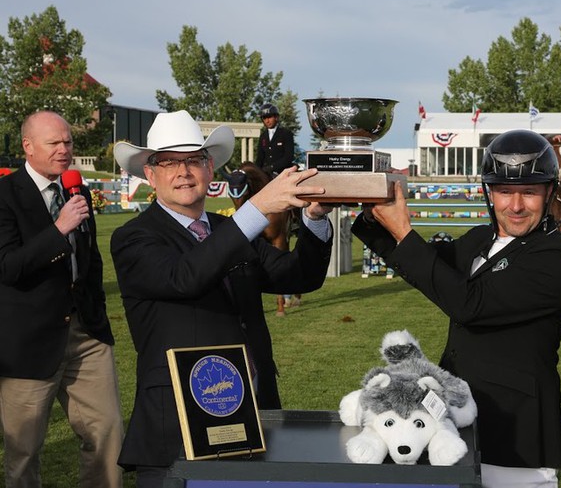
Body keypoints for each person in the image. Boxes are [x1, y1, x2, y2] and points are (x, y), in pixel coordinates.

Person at [111, 110, 334, 487]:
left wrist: (314, 218)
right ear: (150, 175)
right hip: (177, 427)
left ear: (210, 169)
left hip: (253, 415)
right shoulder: (134, 238)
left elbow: (301, 276)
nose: (183, 172)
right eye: (168, 163)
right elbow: (185, 278)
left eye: (193, 160)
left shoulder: (229, 230)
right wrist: (258, 209)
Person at [352, 130, 561, 488]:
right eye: (504, 191)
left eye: (529, 192)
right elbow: (427, 267)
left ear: (549, 192)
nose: (516, 205)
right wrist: (371, 214)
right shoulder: (481, 237)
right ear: (489, 192)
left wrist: (406, 231)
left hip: (514, 432)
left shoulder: (556, 256)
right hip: (453, 417)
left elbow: (469, 305)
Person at [0, 111, 123, 487]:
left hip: (86, 336)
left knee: (109, 435)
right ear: (28, 146)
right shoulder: (5, 195)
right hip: (29, 343)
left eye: (68, 142)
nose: (64, 149)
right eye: (54, 143)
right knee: (24, 453)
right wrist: (58, 229)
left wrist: (96, 314)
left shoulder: (77, 189)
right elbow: (7, 267)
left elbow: (90, 259)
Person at [256, 103, 296, 176]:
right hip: (266, 173)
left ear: (276, 117)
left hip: (283, 173)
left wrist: (272, 167)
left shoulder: (286, 133)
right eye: (264, 118)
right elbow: (260, 158)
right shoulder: (263, 136)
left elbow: (289, 156)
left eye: (269, 117)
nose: (267, 121)